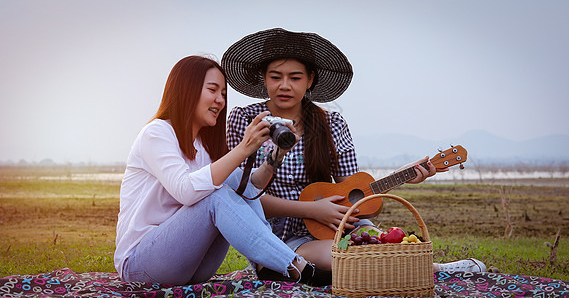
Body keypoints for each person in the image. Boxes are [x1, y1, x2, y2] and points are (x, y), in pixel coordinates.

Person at [222, 28, 488, 278]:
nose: (285, 86)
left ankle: (432, 267)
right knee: (350, 258)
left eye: (295, 77)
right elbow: (242, 195)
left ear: (310, 79)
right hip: (279, 237)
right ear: (263, 77)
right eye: (275, 76)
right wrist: (312, 210)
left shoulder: (332, 123)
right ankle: (435, 269)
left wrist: (402, 175)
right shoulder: (246, 119)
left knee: (377, 245)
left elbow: (353, 189)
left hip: (336, 224)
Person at [114, 55, 331, 286]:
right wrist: (244, 148)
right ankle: (294, 266)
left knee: (234, 182)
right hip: (142, 264)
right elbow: (186, 191)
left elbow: (248, 187)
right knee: (216, 196)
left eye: (224, 94)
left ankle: (273, 263)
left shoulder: (203, 146)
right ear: (187, 90)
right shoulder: (157, 133)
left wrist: (275, 157)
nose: (220, 100)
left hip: (192, 268)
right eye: (213, 90)